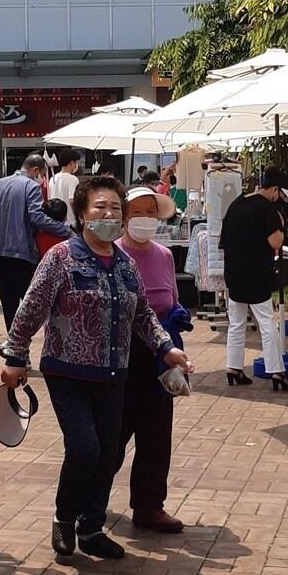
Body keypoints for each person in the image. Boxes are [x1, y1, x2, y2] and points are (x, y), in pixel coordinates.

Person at [0, 175, 190, 564]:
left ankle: (91, 527)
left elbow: (143, 317)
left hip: (113, 374)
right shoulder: (61, 259)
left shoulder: (125, 265)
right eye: (100, 207)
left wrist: (167, 348)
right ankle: (64, 519)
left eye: (115, 209)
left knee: (106, 454)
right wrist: (15, 357)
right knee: (84, 447)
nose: (108, 215)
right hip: (67, 371)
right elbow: (31, 309)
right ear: (82, 214)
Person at [114, 183, 185, 534]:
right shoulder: (110, 254)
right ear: (124, 217)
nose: (144, 219)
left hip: (159, 355)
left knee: (157, 435)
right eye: (137, 213)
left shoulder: (164, 255)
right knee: (111, 437)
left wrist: (176, 327)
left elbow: (170, 300)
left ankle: (149, 505)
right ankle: (86, 501)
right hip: (119, 356)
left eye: (150, 213)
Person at [220, 170, 288, 392]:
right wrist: (281, 224)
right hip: (257, 274)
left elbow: (225, 240)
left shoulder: (237, 204)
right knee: (266, 323)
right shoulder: (267, 209)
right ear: (274, 190)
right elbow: (275, 242)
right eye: (279, 195)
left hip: (233, 273)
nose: (279, 199)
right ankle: (276, 372)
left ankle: (233, 367)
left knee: (236, 322)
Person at [0, 155, 71, 329]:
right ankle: (23, 345)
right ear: (35, 170)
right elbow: (37, 217)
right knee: (33, 304)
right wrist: (67, 232)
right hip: (22, 255)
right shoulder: (31, 186)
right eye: (42, 174)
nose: (42, 178)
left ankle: (13, 348)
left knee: (8, 305)